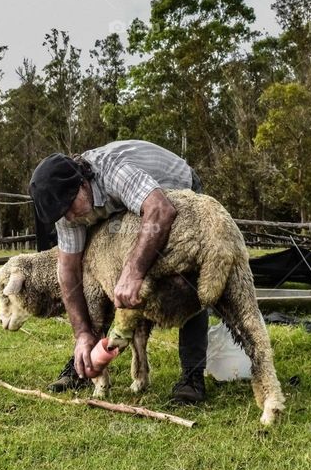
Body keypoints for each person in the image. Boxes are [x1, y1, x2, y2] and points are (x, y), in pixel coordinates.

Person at [28, 140, 209, 404]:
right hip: (128, 206)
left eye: (69, 207)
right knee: (98, 272)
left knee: (187, 277)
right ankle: (84, 356)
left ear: (81, 183)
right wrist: (81, 333)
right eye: (62, 214)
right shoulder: (68, 211)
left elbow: (160, 210)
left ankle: (192, 377)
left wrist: (133, 273)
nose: (69, 218)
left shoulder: (114, 171)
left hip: (176, 189)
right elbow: (69, 271)